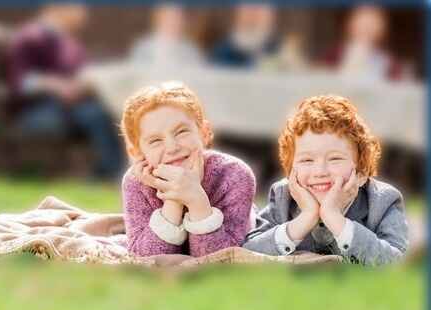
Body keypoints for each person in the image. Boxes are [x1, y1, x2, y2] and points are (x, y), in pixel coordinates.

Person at [243, 95, 408, 265]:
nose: (320, 172)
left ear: (361, 173)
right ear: (291, 171)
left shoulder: (384, 201)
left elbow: (395, 264)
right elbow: (247, 252)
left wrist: (334, 218)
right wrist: (306, 218)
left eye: (335, 159)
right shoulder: (282, 195)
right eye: (307, 160)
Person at [120, 81, 256, 257]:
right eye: (155, 141)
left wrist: (195, 199)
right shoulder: (136, 182)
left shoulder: (235, 175)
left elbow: (219, 259)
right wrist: (174, 199)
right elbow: (145, 257)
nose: (172, 147)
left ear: (204, 133)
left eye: (181, 132)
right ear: (136, 152)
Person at [2, 4, 123, 178]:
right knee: (74, 117)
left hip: (72, 106)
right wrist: (55, 86)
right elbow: (20, 82)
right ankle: (35, 173)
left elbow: (81, 76)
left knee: (99, 114)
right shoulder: (29, 37)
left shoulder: (70, 44)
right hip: (34, 109)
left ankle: (108, 172)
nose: (83, 13)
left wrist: (82, 87)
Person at [321, 5, 403, 81]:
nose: (366, 28)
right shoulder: (333, 55)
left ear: (381, 29)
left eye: (372, 24)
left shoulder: (390, 63)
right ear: (351, 25)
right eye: (361, 22)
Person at [130, 4, 204, 67]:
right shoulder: (144, 47)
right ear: (159, 18)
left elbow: (200, 75)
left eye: (178, 18)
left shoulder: (190, 49)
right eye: (170, 18)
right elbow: (134, 76)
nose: (174, 23)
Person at [210, 3, 280, 68]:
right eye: (248, 8)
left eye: (259, 8)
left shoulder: (279, 49)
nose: (253, 13)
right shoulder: (221, 52)